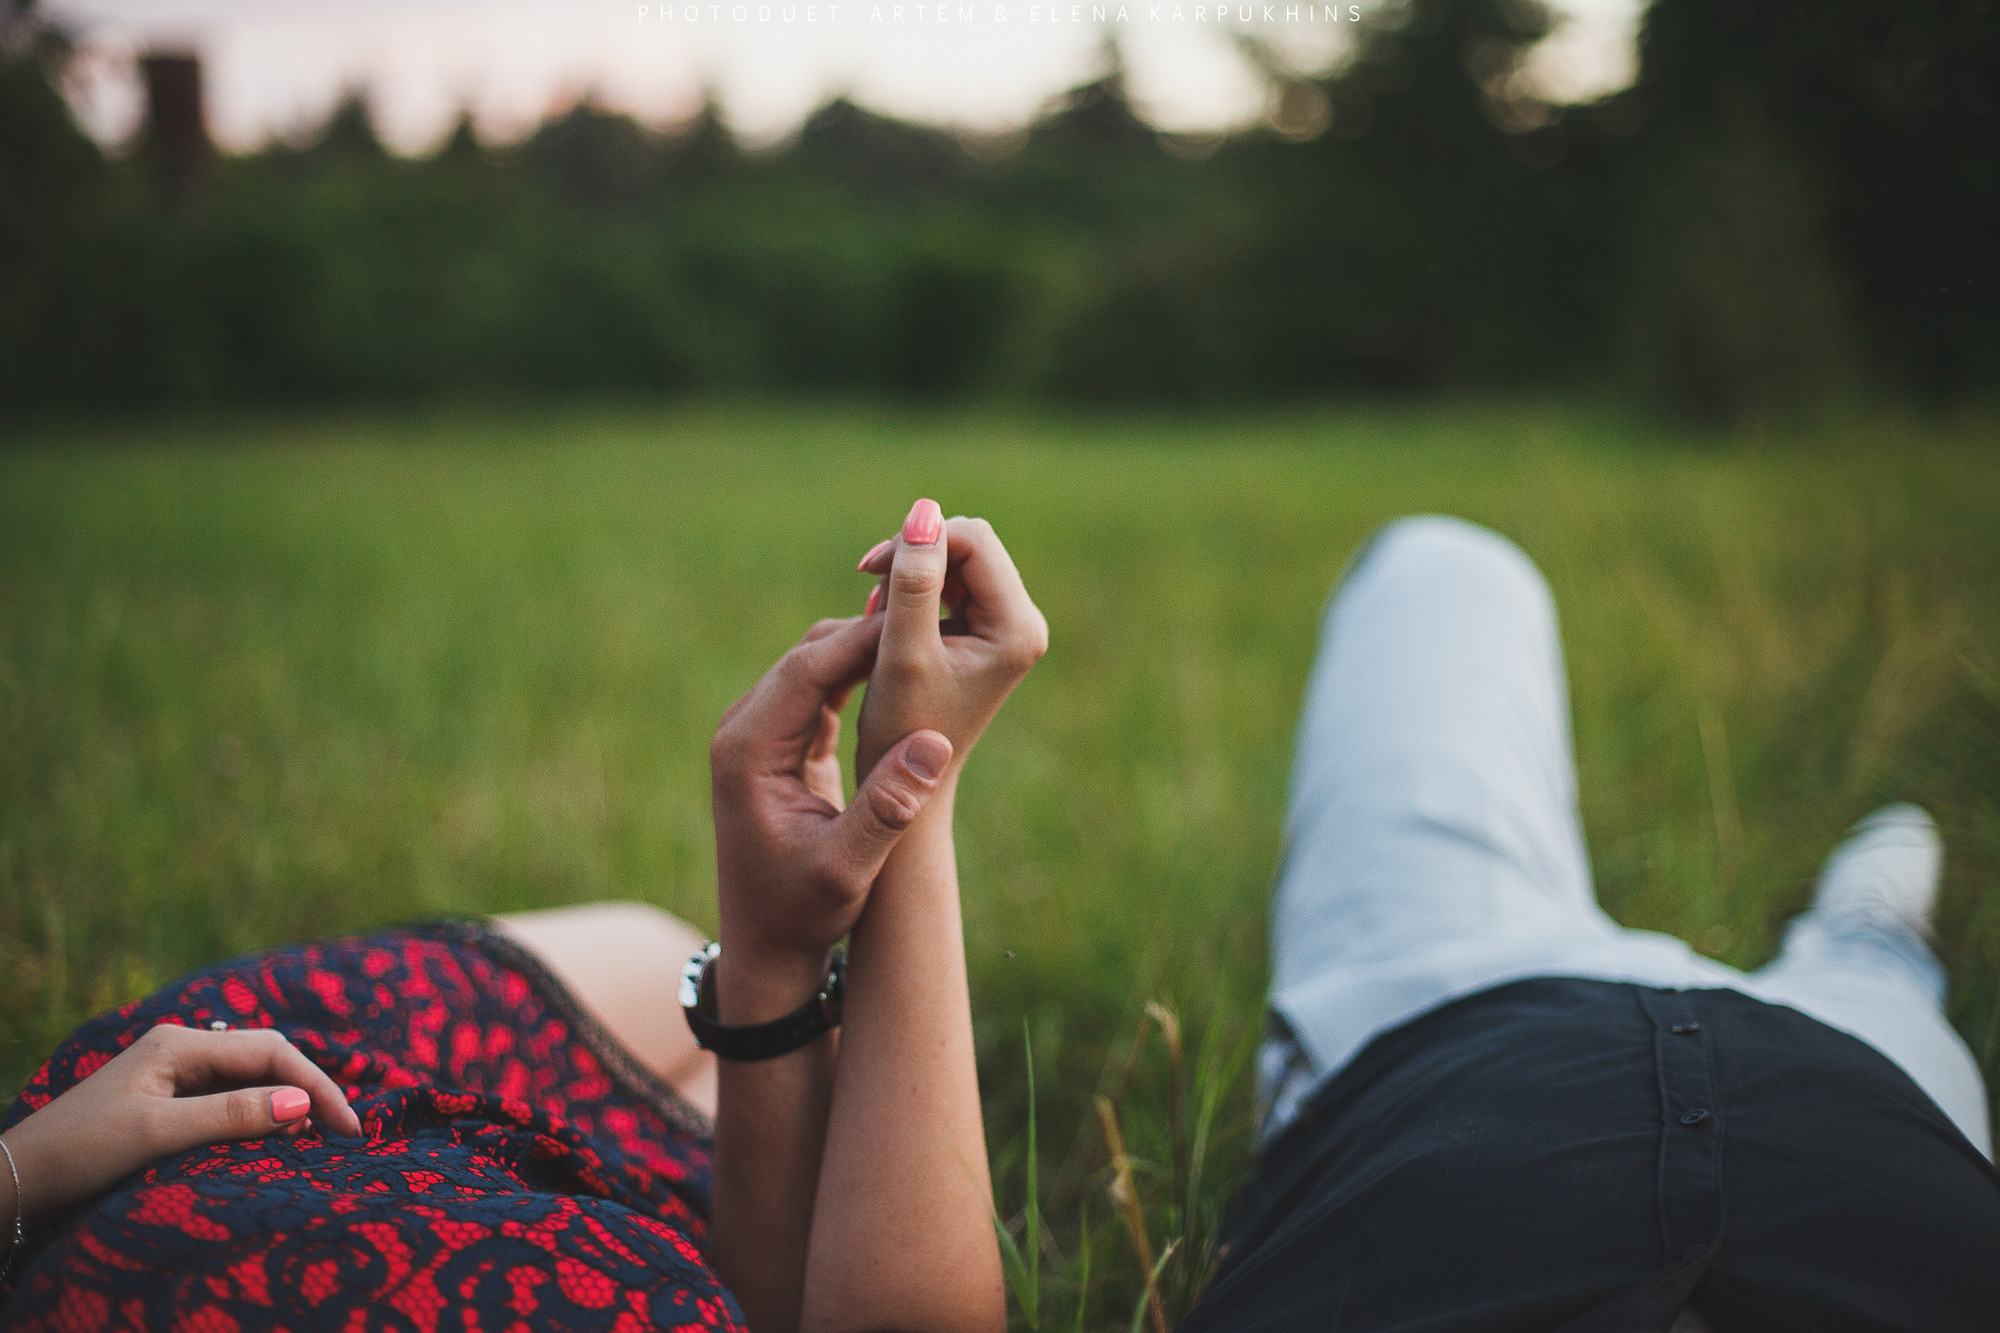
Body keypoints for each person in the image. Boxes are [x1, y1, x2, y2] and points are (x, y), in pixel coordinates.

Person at [0, 498, 1044, 1333]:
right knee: (767, 1124)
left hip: (188, 1122)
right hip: (400, 1224)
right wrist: (911, 809)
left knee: (659, 952)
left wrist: (17, 1170)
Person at [1178, 515, 2000, 1332]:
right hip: (1864, 1073)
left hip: (1437, 1005)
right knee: (1881, 968)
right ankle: (1872, 931)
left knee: (1442, 566)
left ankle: (1871, 938)